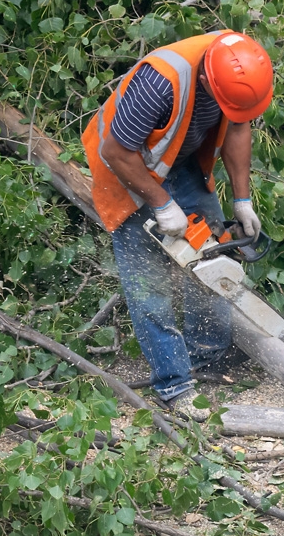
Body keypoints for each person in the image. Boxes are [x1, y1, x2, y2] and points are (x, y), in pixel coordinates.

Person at [82, 31, 273, 421]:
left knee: (211, 255)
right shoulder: (158, 81)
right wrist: (160, 202)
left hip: (181, 158)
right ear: (206, 81)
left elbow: (238, 127)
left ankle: (208, 356)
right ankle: (174, 384)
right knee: (149, 283)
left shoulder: (240, 66)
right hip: (125, 167)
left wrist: (243, 200)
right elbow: (116, 151)